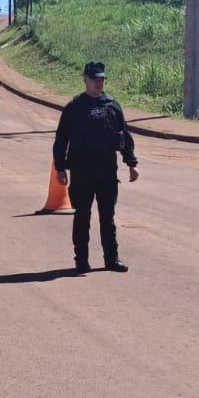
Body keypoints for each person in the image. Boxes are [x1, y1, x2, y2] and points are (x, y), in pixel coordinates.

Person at [53, 61, 139, 273]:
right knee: (82, 216)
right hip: (82, 171)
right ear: (85, 79)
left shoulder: (112, 105)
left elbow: (123, 136)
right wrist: (60, 168)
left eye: (101, 79)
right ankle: (81, 261)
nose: (98, 83)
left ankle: (112, 259)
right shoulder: (74, 108)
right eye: (94, 79)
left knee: (107, 217)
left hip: (107, 170)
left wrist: (131, 163)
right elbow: (61, 139)